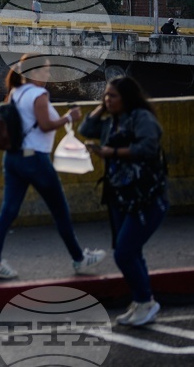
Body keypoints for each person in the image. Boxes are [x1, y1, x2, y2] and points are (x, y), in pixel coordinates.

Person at [0, 54, 106, 280]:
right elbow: (46, 125)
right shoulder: (39, 95)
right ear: (34, 73)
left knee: (8, 212)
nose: (48, 76)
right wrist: (69, 117)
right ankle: (79, 259)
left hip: (12, 158)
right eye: (46, 71)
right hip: (35, 161)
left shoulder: (14, 93)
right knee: (60, 211)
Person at [79, 77, 168, 327]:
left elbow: (148, 148)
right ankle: (142, 302)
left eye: (113, 96)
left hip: (146, 196)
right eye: (106, 95)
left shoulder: (142, 118)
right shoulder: (111, 122)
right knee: (130, 251)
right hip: (120, 195)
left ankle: (146, 302)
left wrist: (112, 153)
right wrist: (102, 107)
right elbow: (86, 129)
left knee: (125, 252)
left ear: (127, 97)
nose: (108, 100)